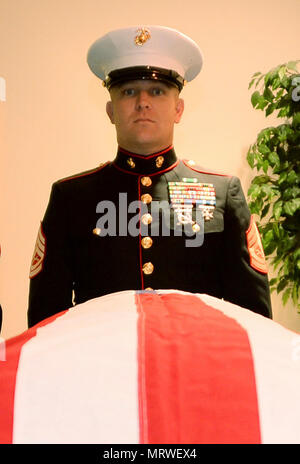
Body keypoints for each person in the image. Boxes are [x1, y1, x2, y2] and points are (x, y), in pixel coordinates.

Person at [27, 26, 272, 327]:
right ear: (110, 111)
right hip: (101, 369)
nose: (143, 102)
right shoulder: (72, 198)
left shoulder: (221, 192)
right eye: (128, 92)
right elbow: (45, 320)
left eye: (157, 91)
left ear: (178, 109)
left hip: (197, 367)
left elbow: (255, 321)